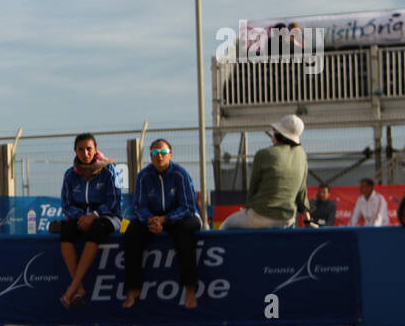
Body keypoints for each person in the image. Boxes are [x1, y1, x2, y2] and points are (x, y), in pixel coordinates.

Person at [123, 139, 201, 309]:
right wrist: (152, 220)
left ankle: (190, 289)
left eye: (163, 152)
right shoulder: (143, 176)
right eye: (154, 153)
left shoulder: (180, 174)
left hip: (179, 217)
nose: (159, 156)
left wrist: (165, 220)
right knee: (132, 233)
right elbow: (139, 207)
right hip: (153, 219)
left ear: (170, 155)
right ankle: (132, 289)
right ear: (150, 157)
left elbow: (188, 206)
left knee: (185, 234)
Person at [57, 133, 122, 308]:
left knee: (96, 231)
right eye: (81, 149)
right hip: (81, 218)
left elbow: (115, 202)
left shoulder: (110, 170)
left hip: (107, 218)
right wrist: (81, 216)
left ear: (95, 150)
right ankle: (79, 288)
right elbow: (66, 204)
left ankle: (72, 288)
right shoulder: (70, 175)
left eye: (89, 149)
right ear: (75, 151)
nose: (85, 153)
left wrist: (93, 215)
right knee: (66, 233)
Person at [220, 115, 310, 229]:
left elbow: (253, 189)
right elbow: (302, 193)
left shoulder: (264, 154)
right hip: (287, 220)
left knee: (226, 225)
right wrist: (308, 220)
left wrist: (247, 209)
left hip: (260, 216)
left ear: (278, 134)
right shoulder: (302, 155)